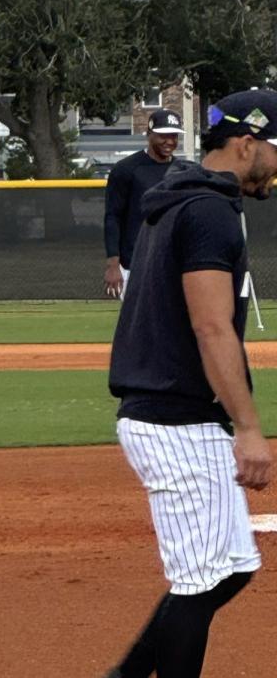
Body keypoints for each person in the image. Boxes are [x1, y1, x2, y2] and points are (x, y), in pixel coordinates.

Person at [105, 90, 277, 678]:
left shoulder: (184, 196)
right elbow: (210, 325)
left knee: (231, 568)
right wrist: (250, 429)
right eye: (275, 150)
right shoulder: (206, 211)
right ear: (247, 143)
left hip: (174, 412)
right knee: (199, 581)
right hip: (175, 417)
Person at [103, 109, 183, 298]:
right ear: (149, 134)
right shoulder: (127, 169)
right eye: (163, 135)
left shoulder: (182, 170)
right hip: (134, 263)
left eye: (174, 136)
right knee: (139, 325)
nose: (170, 141)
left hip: (173, 262)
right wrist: (113, 265)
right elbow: (113, 217)